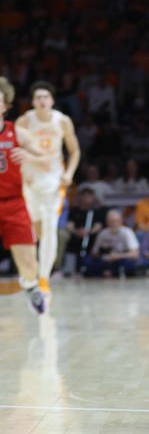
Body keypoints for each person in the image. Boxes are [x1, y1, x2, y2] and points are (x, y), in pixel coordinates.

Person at [16, 80, 81, 296]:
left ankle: (44, 277)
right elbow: (14, 151)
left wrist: (69, 173)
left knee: (51, 226)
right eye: (38, 97)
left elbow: (75, 151)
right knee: (33, 229)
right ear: (32, 102)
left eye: (46, 97)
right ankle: (30, 272)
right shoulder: (24, 121)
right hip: (30, 178)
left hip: (53, 179)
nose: (42, 101)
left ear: (52, 100)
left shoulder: (62, 121)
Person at [0, 77, 47, 313]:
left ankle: (30, 286)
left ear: (5, 105)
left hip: (13, 203)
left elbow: (47, 159)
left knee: (29, 264)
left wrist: (30, 158)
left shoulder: (17, 134)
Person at [84, 209, 140, 278]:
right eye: (111, 221)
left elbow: (135, 254)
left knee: (128, 264)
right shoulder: (103, 233)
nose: (114, 224)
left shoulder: (127, 232)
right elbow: (94, 252)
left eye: (116, 221)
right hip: (105, 260)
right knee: (88, 261)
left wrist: (118, 256)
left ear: (121, 221)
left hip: (121, 259)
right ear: (107, 222)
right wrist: (103, 251)